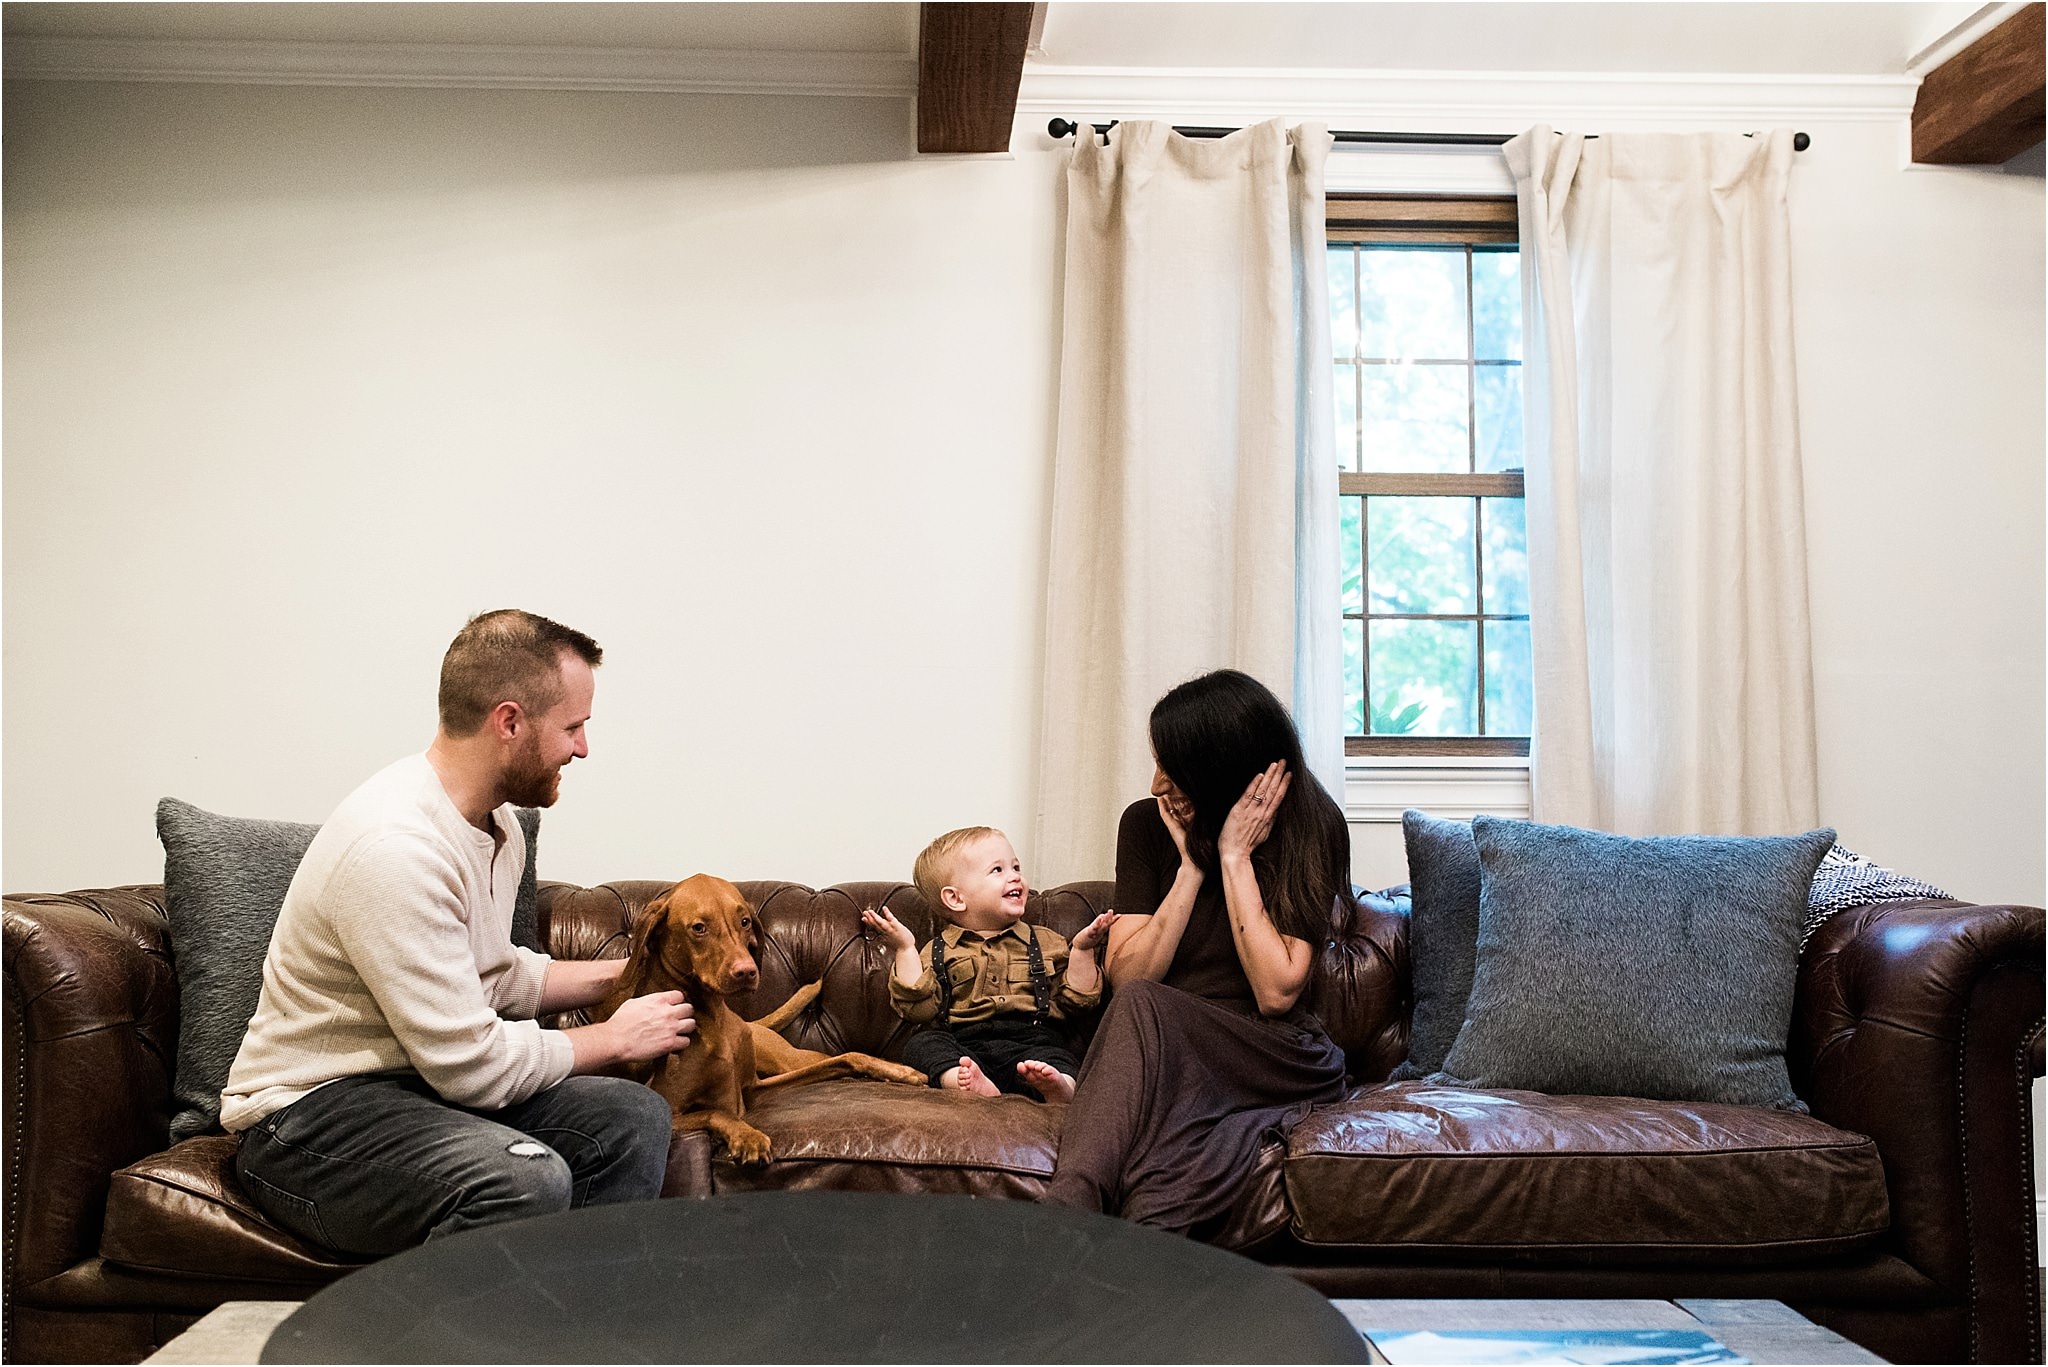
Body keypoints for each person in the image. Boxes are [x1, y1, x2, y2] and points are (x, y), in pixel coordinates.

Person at [221, 609, 696, 1255]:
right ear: (509, 721)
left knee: (631, 1116)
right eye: (574, 726)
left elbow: (493, 974)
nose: (582, 748)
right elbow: (473, 1069)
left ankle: (575, 1329)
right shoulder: (397, 848)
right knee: (522, 1180)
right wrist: (614, 1037)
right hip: (308, 1119)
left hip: (412, 1087)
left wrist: (628, 975)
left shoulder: (494, 827)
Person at [1043, 669, 1351, 1237]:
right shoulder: (1144, 824)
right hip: (1168, 1049)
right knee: (1157, 1197)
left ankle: (1063, 1222)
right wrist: (1191, 870)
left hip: (1271, 1053)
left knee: (1143, 1006)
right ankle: (1128, 1271)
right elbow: (1126, 976)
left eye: (1175, 769)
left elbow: (1278, 991)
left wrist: (1235, 858)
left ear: (1222, 769)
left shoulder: (1313, 824)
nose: (1159, 784)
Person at [861, 827, 1117, 1103]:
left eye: (1016, 866)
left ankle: (1059, 1087)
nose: (1015, 875)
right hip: (966, 1045)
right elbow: (919, 1010)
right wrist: (905, 947)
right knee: (921, 1045)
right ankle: (963, 1081)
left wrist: (1082, 950)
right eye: (998, 870)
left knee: (1058, 1056)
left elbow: (1078, 1001)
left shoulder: (1045, 941)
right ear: (956, 898)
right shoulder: (938, 950)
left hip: (1032, 1040)